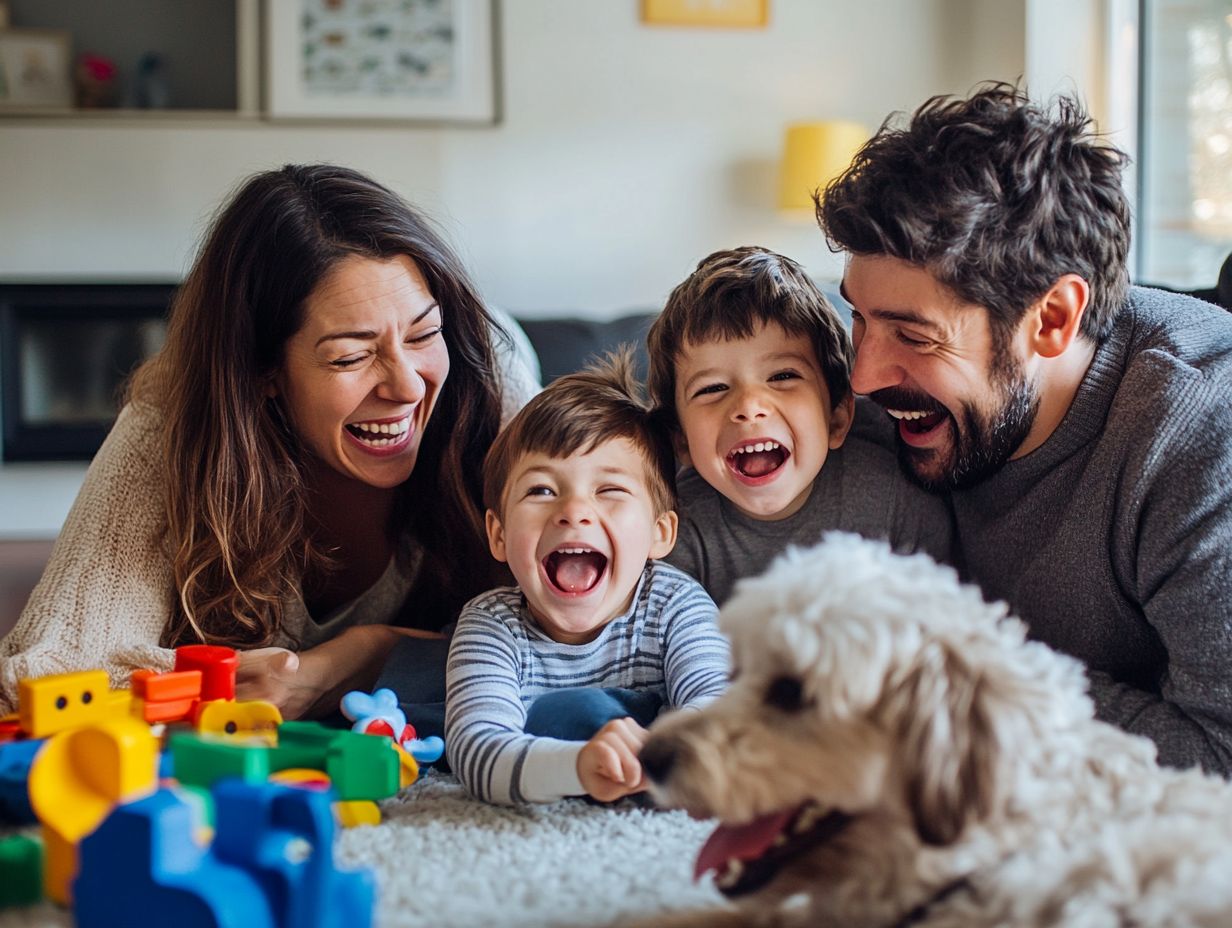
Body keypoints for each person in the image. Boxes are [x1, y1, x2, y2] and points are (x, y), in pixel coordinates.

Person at [0, 164, 540, 727]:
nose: (406, 385)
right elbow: (45, 679)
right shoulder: (169, 423)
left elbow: (603, 629)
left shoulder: (483, 383)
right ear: (262, 372)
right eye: (350, 357)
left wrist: (368, 655)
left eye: (424, 334)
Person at [817, 84, 1232, 775]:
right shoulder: (893, 399)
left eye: (912, 335)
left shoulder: (1199, 438)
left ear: (1051, 321)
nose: (862, 377)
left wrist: (963, 671)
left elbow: (1220, 764)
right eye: (858, 317)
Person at [445, 352, 729, 805]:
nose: (573, 512)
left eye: (609, 490)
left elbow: (719, 709)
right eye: (541, 490)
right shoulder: (490, 624)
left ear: (660, 533)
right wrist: (577, 766)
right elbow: (477, 752)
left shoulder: (677, 605)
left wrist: (658, 754)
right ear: (498, 535)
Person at [645, 245, 952, 607]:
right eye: (712, 389)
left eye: (782, 376)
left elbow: (942, 628)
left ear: (836, 418)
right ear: (681, 441)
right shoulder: (675, 533)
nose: (748, 407)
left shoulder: (895, 502)